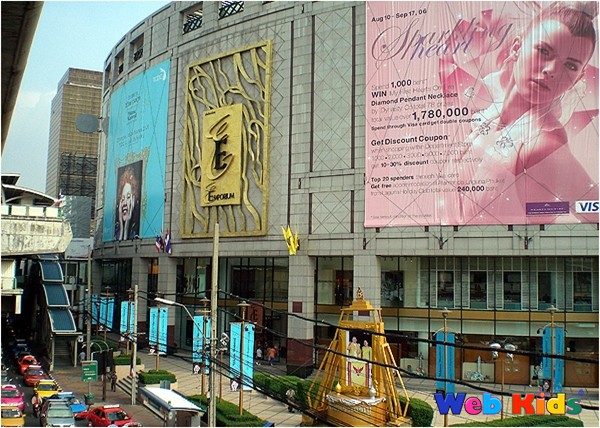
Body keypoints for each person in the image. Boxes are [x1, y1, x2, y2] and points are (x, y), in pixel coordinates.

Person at [449, 1, 598, 224]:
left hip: (512, 247)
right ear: (517, 47)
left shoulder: (544, 143)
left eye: (570, 66)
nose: (551, 71)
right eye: (544, 51)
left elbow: (594, 208)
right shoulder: (490, 116)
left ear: (578, 77)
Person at [115, 163, 141, 241]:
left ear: (134, 200)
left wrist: (126, 228)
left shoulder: (137, 229)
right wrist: (122, 229)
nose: (125, 203)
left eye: (128, 197)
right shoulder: (114, 229)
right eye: (122, 199)